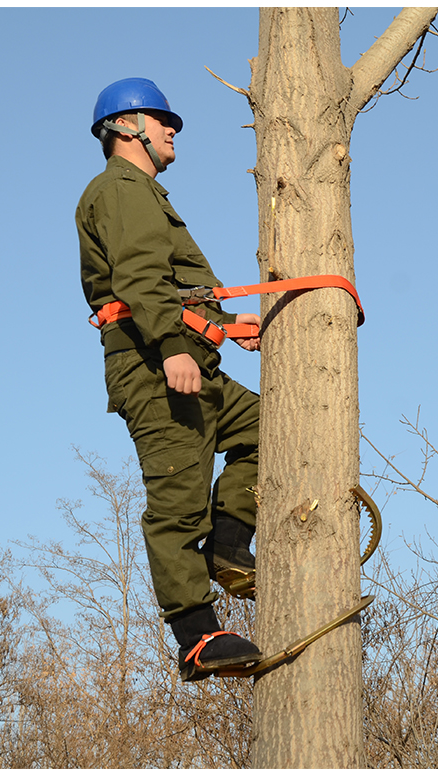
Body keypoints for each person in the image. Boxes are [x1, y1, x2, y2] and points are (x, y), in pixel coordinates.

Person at [75, 77, 262, 682]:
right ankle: (196, 636)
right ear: (125, 129)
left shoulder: (143, 193)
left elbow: (175, 289)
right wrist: (171, 348)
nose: (172, 128)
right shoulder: (120, 189)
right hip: (158, 367)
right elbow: (139, 279)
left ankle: (229, 545)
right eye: (160, 119)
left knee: (270, 426)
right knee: (178, 499)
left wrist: (228, 324)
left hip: (188, 359)